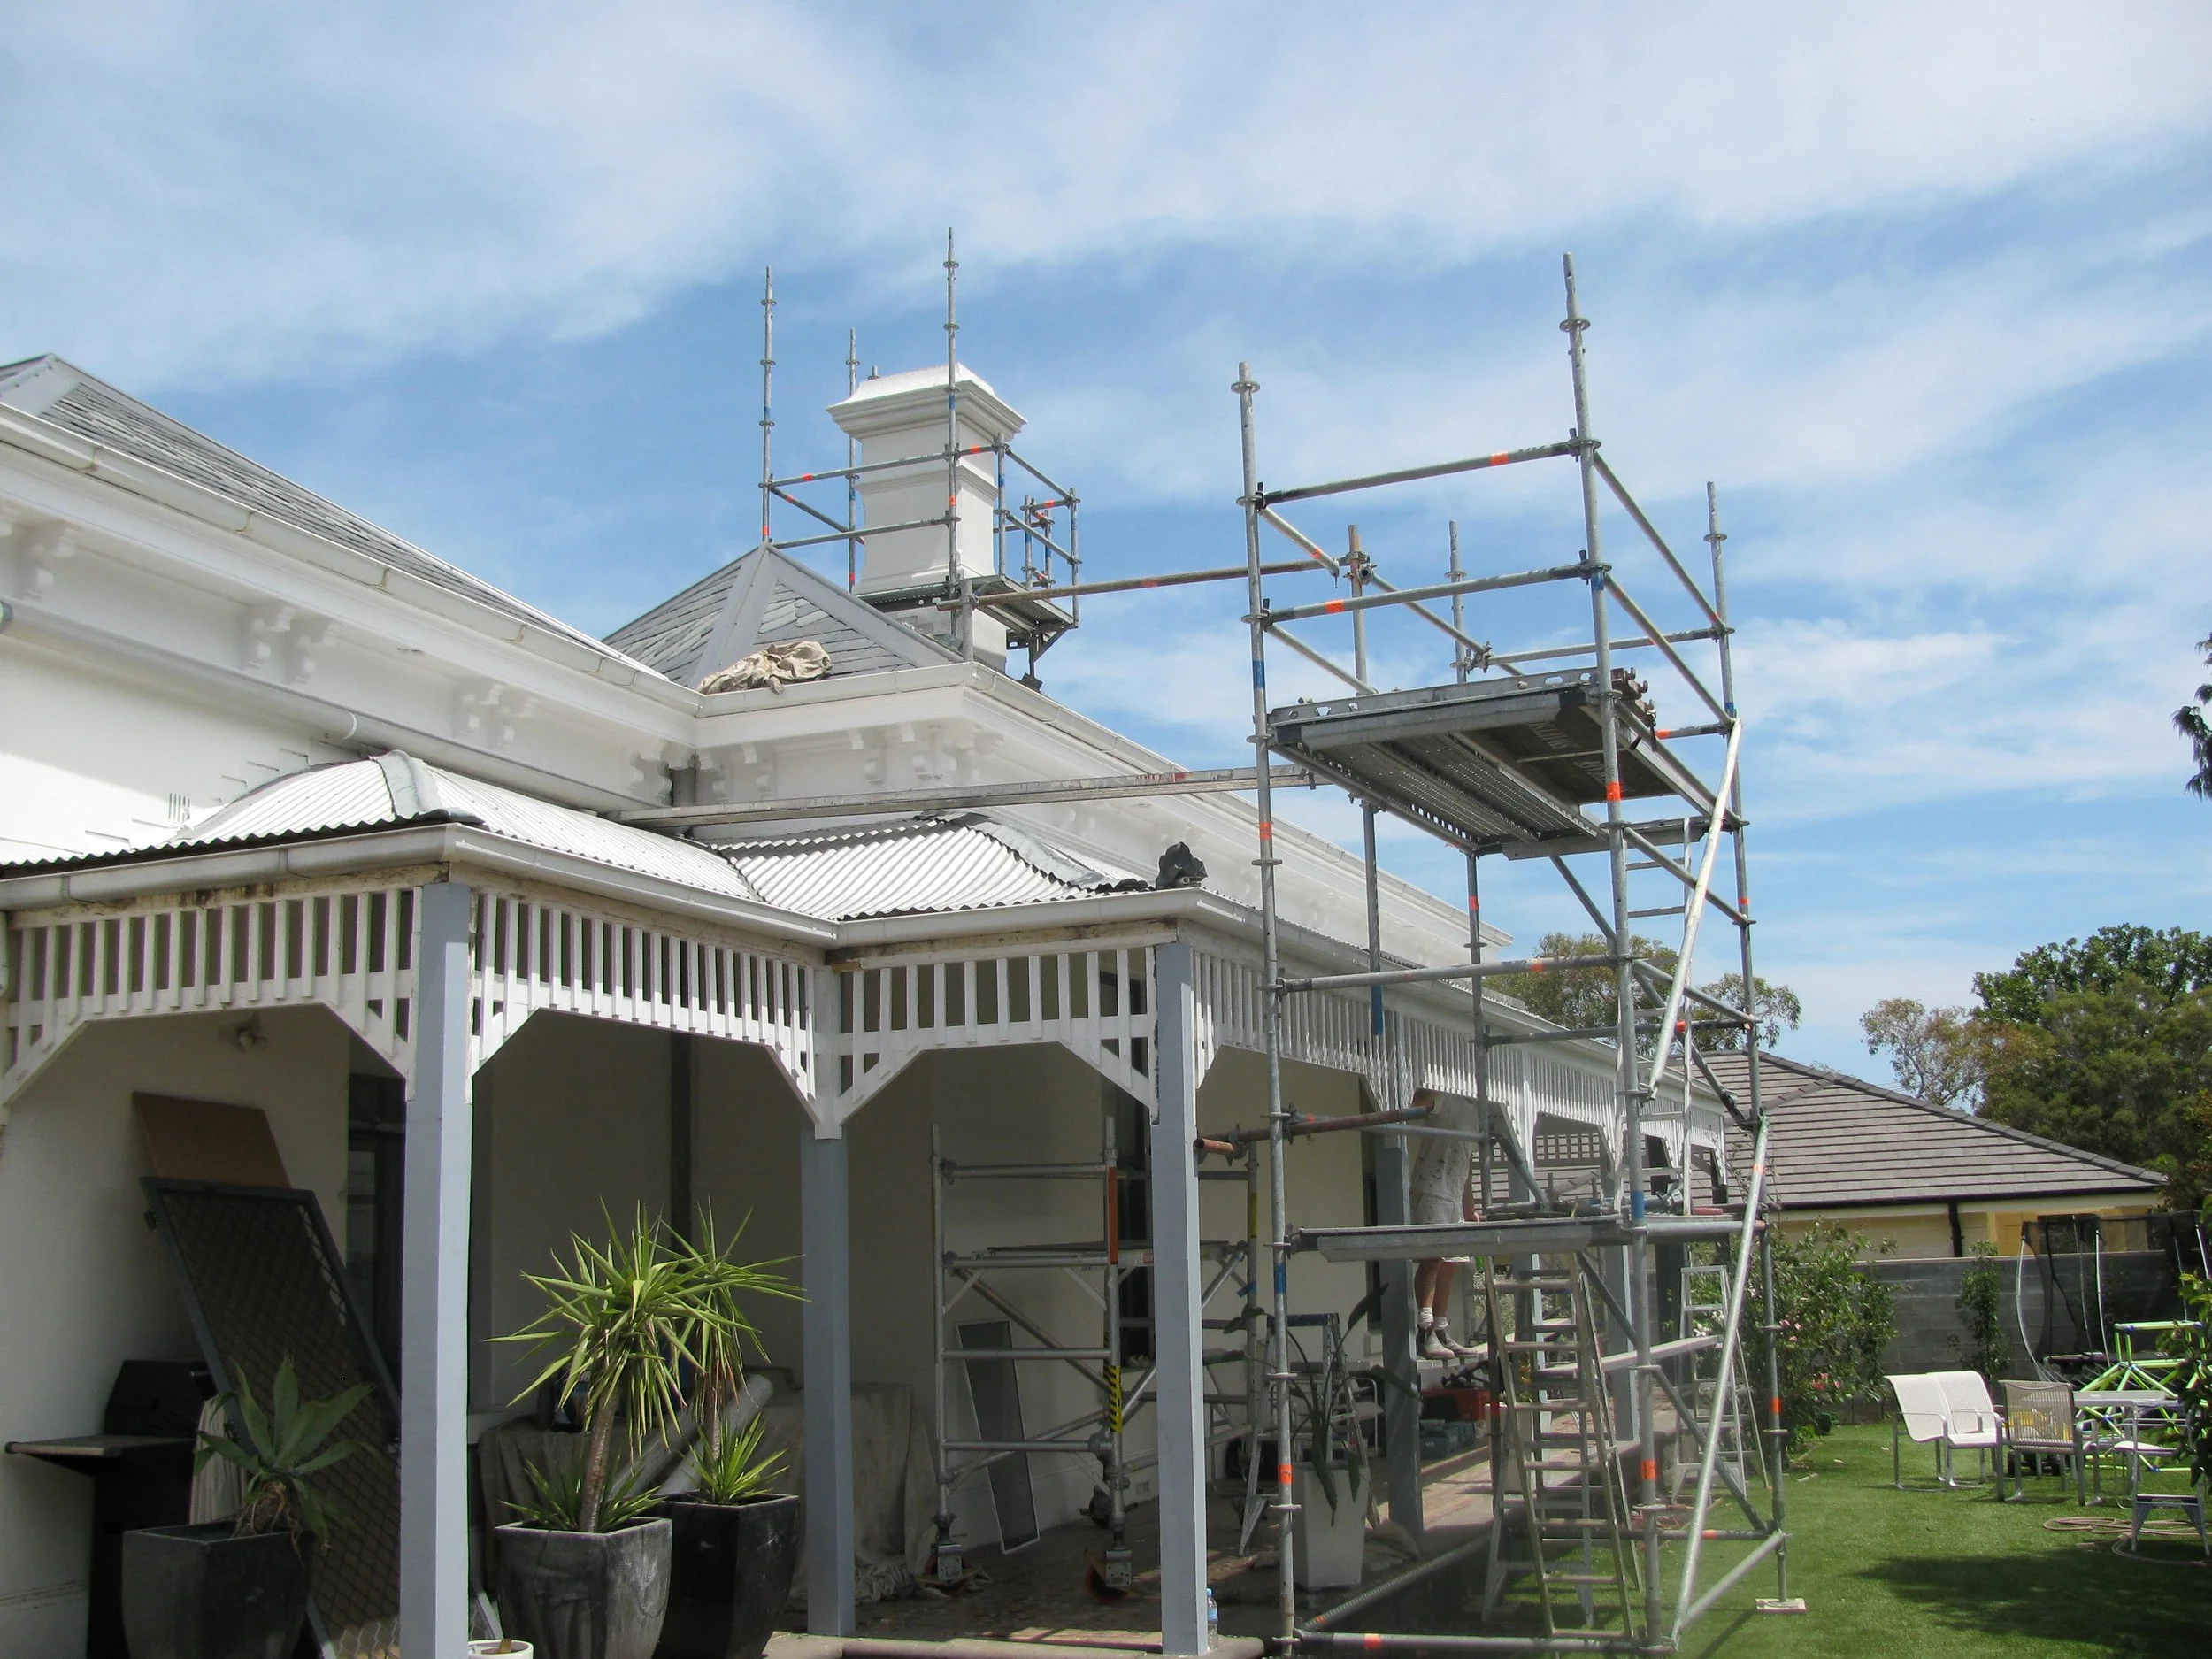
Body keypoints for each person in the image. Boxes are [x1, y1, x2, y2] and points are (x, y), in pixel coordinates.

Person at [1407, 1088, 1483, 1361]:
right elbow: (1413, 1101)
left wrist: (1469, 1207)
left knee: (1451, 1262)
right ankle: (1425, 1329)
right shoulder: (1445, 1094)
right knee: (1433, 1259)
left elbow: (1466, 1164)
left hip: (1453, 1191)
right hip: (1432, 1186)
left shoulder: (1476, 1112)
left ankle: (1440, 1328)